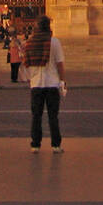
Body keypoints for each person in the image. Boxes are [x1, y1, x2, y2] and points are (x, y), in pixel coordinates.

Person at [24, 15, 65, 153]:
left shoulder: (30, 43)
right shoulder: (54, 42)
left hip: (36, 84)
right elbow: (60, 64)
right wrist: (63, 81)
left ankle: (35, 144)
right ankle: (56, 145)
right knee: (53, 116)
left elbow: (26, 64)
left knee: (36, 116)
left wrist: (31, 77)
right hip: (52, 83)